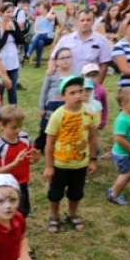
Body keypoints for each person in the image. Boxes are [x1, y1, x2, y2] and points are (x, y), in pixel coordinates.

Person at [43, 76, 97, 233]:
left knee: (76, 193)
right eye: (72, 93)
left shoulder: (89, 112)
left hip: (80, 163)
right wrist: (49, 166)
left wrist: (92, 160)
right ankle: (54, 216)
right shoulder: (57, 115)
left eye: (80, 91)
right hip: (60, 164)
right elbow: (49, 143)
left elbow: (93, 138)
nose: (78, 96)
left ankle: (72, 214)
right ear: (63, 96)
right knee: (55, 193)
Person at [0, 105, 36, 219]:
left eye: (20, 126)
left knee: (23, 211)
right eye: (13, 127)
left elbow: (30, 160)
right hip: (6, 185)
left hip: (22, 183)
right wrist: (14, 164)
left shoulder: (24, 138)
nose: (18, 130)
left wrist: (35, 158)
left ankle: (19, 233)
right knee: (7, 213)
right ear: (2, 126)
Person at [106, 87, 130, 206]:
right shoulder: (122, 120)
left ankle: (115, 190)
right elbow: (118, 138)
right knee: (127, 174)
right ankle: (113, 194)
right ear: (124, 104)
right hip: (124, 153)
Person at [48, 10, 112, 84]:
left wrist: (97, 85)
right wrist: (51, 69)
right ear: (77, 21)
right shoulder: (65, 39)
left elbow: (104, 65)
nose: (85, 23)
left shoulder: (101, 41)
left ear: (93, 21)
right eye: (82, 20)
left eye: (88, 20)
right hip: (67, 82)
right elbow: (53, 58)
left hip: (89, 83)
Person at [0, 4, 23, 104]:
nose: (10, 14)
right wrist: (6, 32)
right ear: (1, 13)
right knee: (0, 90)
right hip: (1, 62)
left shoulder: (14, 24)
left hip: (13, 61)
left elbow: (21, 40)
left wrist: (12, 30)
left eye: (11, 12)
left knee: (12, 89)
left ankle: (13, 112)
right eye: (7, 12)